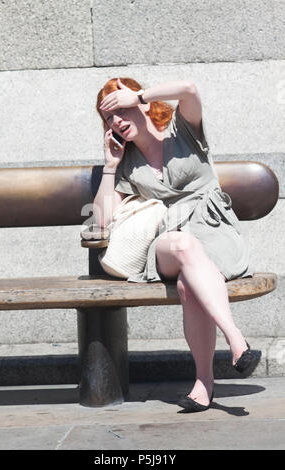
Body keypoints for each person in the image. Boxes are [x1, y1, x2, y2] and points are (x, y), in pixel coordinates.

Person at [93, 77, 257, 412]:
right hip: (169, 241)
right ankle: (236, 339)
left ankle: (203, 382)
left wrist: (136, 93)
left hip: (214, 232)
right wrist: (110, 167)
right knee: (181, 246)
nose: (117, 121)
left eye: (121, 109)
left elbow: (190, 89)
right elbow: (100, 222)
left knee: (188, 285)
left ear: (144, 105)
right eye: (108, 117)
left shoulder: (183, 131)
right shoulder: (125, 161)